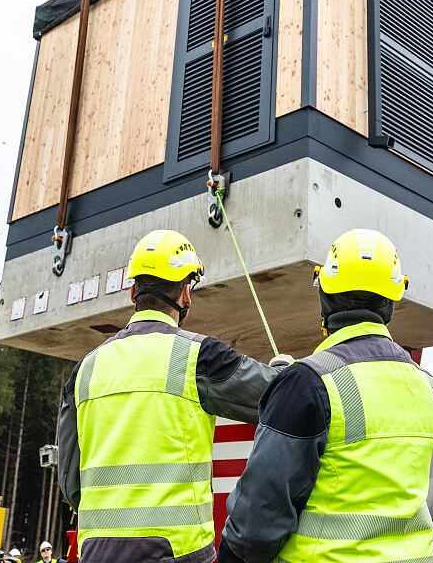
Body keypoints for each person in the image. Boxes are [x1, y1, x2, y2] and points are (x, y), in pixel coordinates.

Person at [57, 229, 285, 563]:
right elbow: (277, 397)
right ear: (185, 295)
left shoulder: (83, 371)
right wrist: (284, 372)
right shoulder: (199, 357)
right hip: (178, 552)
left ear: (133, 291)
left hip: (97, 552)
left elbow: (70, 483)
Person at [218, 229, 433, 563]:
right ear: (391, 303)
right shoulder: (429, 387)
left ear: (325, 295)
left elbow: (259, 516)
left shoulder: (310, 383)